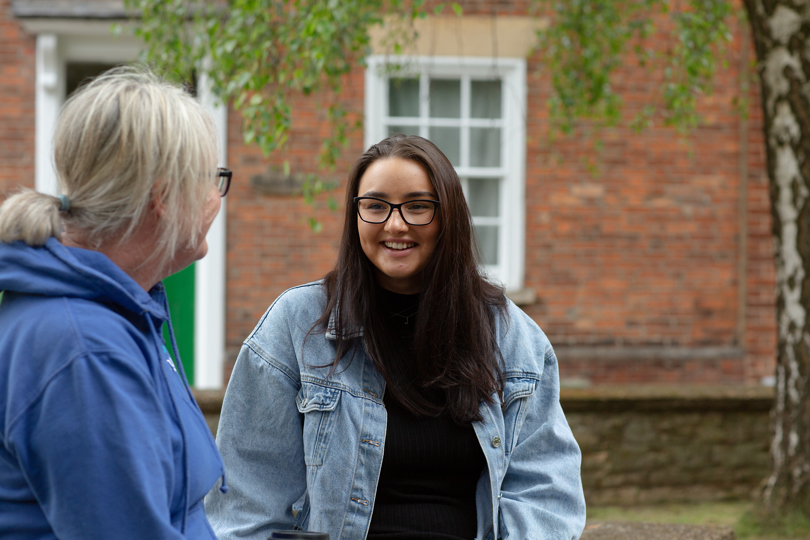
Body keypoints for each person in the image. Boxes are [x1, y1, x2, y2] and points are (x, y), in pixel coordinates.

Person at [206, 135, 586, 539]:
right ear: (355, 217)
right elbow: (247, 506)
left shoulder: (511, 337)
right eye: (375, 206)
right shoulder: (296, 326)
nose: (395, 224)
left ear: (448, 217)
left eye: (418, 206)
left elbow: (546, 495)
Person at [0, 67, 232, 539]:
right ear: (164, 197)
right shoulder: (85, 349)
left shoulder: (117, 314)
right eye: (213, 179)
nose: (217, 197)